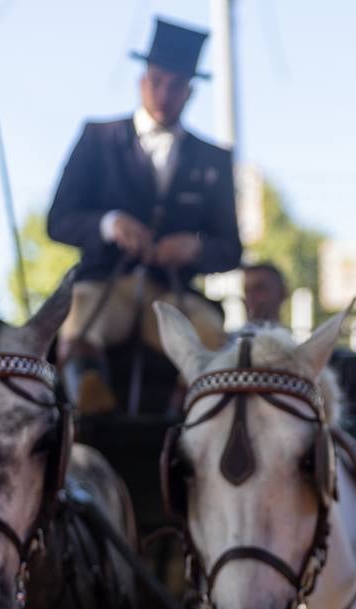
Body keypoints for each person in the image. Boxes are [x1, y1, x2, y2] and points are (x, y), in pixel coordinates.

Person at [48, 16, 240, 412]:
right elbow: (59, 220)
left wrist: (194, 248)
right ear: (142, 81)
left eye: (176, 85)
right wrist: (108, 223)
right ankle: (90, 414)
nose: (164, 93)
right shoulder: (97, 138)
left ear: (190, 92)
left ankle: (190, 421)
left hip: (173, 296)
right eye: (157, 81)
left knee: (212, 337)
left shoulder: (214, 160)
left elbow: (230, 248)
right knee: (79, 318)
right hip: (105, 287)